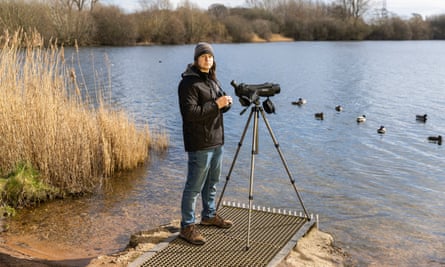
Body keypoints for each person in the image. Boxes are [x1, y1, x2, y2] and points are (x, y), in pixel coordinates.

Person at [178, 42, 233, 245]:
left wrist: (225, 104)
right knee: (194, 186)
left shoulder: (212, 81)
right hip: (200, 142)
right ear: (196, 59)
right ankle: (187, 226)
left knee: (212, 182)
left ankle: (209, 215)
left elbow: (217, 107)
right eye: (203, 56)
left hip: (216, 139)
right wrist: (216, 105)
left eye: (209, 56)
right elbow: (190, 114)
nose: (207, 59)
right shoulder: (188, 84)